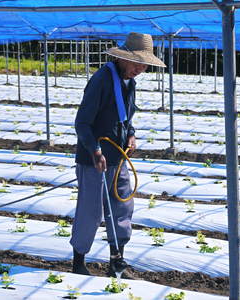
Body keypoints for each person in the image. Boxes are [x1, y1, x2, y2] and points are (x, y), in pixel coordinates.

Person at [70, 32, 166, 277]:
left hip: (118, 156)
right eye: (137, 62)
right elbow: (82, 122)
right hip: (95, 159)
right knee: (90, 210)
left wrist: (131, 134)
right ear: (123, 59)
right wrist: (95, 150)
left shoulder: (129, 83)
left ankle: (117, 261)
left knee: (122, 206)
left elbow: (126, 117)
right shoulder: (102, 79)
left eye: (144, 64)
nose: (140, 68)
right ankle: (78, 261)